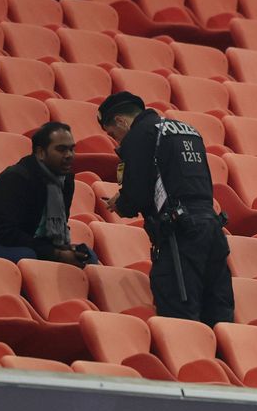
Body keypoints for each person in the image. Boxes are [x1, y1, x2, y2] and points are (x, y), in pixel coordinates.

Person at [99, 91, 234, 326]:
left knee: (180, 317)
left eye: (113, 133)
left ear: (121, 120)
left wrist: (122, 204)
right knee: (218, 314)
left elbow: (137, 196)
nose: (117, 140)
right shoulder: (187, 130)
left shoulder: (139, 135)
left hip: (179, 235)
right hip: (211, 228)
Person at [0, 122, 91, 266]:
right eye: (61, 150)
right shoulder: (16, 177)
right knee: (27, 256)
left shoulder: (66, 180)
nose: (69, 155)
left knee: (88, 256)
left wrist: (64, 248)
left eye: (72, 149)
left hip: (32, 243)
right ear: (40, 152)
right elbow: (4, 232)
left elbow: (57, 227)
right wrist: (55, 254)